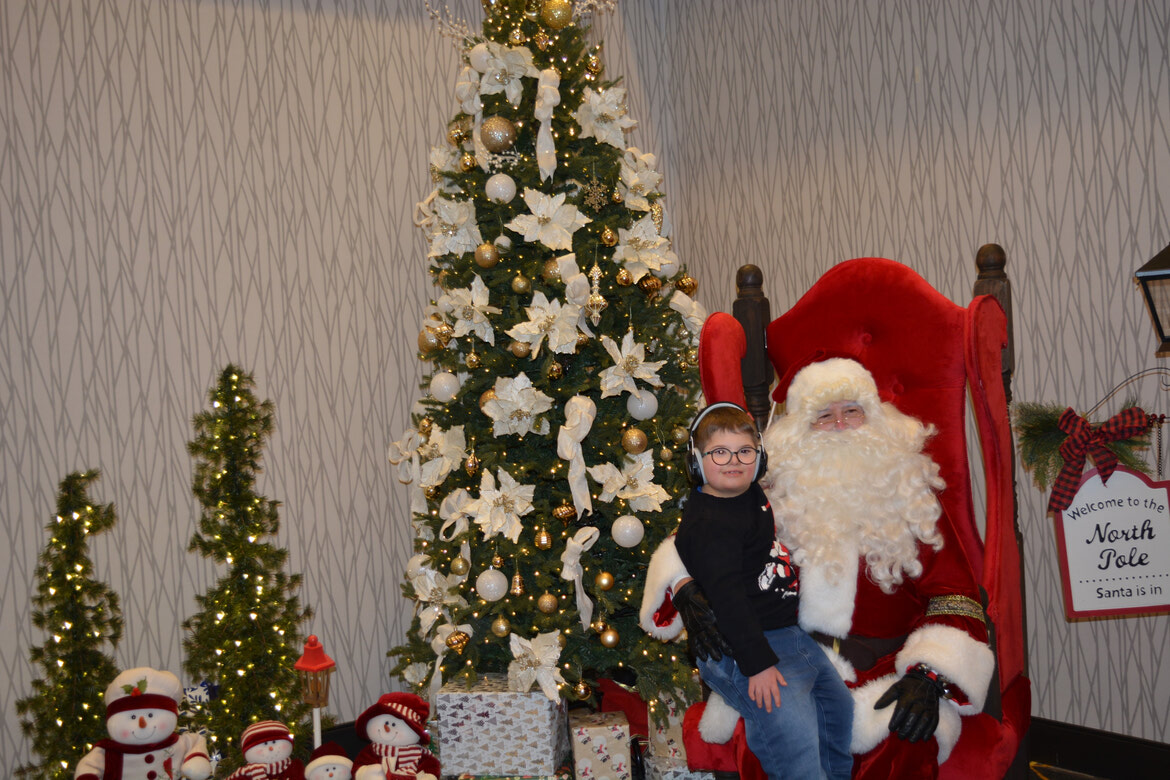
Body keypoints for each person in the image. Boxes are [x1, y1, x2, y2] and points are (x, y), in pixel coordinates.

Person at [641, 359, 995, 779]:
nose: (840, 425)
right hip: (783, 655)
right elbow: (696, 539)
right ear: (800, 431)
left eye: (852, 411)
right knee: (777, 744)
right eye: (824, 416)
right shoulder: (771, 492)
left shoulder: (912, 496)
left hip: (886, 670)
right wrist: (683, 585)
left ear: (876, 418)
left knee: (899, 746)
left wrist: (929, 673)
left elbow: (955, 596)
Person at [673, 402, 854, 780]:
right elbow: (728, 600)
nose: (733, 461)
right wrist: (757, 666)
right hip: (742, 646)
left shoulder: (749, 494)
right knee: (794, 740)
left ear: (760, 458)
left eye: (745, 451)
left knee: (837, 711)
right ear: (696, 462)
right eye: (719, 453)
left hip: (788, 636)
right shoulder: (708, 525)